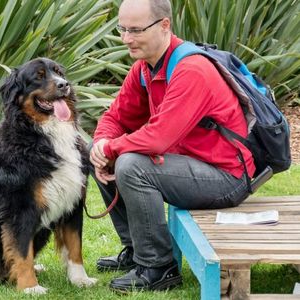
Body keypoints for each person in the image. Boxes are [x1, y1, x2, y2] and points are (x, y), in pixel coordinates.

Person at [89, 0, 255, 293]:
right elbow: (116, 117)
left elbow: (158, 138)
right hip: (186, 166)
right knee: (106, 153)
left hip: (226, 177)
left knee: (130, 164)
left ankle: (158, 268)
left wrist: (112, 149)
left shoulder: (192, 69)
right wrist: (102, 144)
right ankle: (136, 253)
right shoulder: (144, 68)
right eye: (122, 29)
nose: (126, 38)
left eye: (136, 30)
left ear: (164, 26)